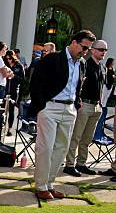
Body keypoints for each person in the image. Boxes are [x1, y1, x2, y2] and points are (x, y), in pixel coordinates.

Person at [30, 29, 96, 200]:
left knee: (61, 149)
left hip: (69, 110)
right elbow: (36, 82)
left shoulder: (81, 63)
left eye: (88, 49)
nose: (85, 51)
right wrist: (41, 106)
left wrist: (77, 102)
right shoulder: (52, 58)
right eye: (84, 47)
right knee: (45, 147)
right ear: (74, 42)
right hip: (49, 107)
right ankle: (41, 185)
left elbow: (77, 85)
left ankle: (50, 184)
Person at [64, 40, 108, 177]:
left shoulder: (102, 67)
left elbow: (102, 87)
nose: (103, 52)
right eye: (101, 49)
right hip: (85, 105)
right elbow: (77, 83)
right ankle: (69, 164)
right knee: (76, 136)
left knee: (87, 138)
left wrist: (101, 103)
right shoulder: (85, 64)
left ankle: (81, 164)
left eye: (105, 50)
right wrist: (79, 100)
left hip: (96, 106)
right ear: (93, 50)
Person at [5, 50, 25, 135]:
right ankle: (1, 127)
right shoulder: (5, 65)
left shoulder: (19, 66)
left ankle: (9, 129)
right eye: (7, 59)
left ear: (13, 58)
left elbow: (22, 79)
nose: (9, 60)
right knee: (3, 109)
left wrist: (14, 76)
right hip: (5, 89)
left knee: (11, 110)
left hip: (14, 90)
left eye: (10, 58)